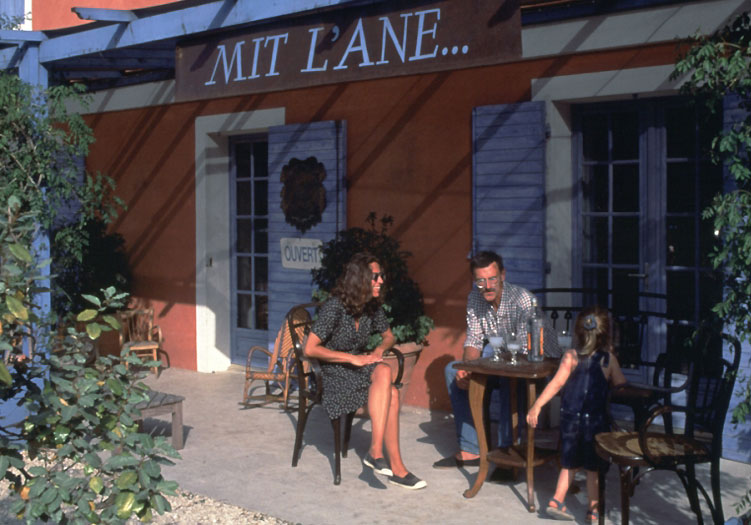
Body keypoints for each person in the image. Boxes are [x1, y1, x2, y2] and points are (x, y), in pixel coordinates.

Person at [304, 252, 427, 490]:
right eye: (375, 277)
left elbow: (389, 336)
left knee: (383, 372)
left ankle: (376, 451)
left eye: (381, 276)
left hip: (358, 369)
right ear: (359, 279)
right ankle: (397, 469)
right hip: (333, 374)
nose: (381, 281)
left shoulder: (371, 308)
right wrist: (352, 358)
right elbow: (310, 348)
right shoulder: (335, 308)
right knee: (390, 394)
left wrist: (380, 349)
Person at [433, 251, 561, 469]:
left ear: (503, 275)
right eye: (481, 281)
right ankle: (471, 449)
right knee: (453, 371)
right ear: (475, 281)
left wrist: (484, 366)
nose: (488, 286)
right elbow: (473, 340)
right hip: (502, 362)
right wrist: (468, 368)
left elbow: (524, 353)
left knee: (506, 378)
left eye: (492, 279)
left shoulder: (522, 300)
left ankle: (507, 454)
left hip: (537, 367)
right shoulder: (475, 298)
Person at [526, 306, 626, 523]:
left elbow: (555, 384)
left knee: (569, 462)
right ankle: (593, 510)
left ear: (577, 333)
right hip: (596, 423)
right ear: (605, 334)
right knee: (593, 468)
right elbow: (621, 385)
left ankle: (556, 501)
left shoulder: (570, 356)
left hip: (570, 419)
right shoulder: (608, 360)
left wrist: (537, 406)